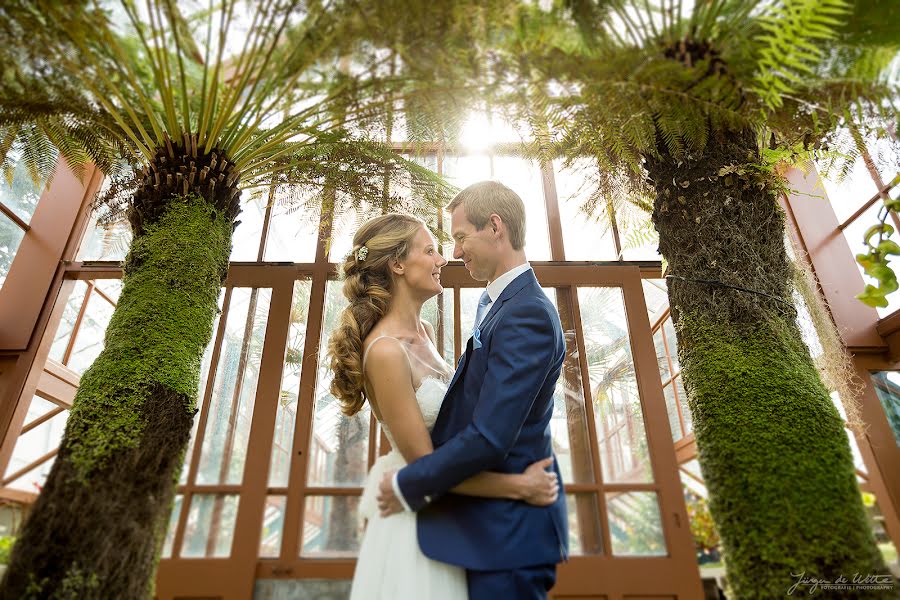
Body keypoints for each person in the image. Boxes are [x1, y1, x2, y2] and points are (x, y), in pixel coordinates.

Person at [327, 211, 560, 600]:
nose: (443, 260)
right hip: (413, 523)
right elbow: (424, 467)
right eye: (431, 250)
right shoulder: (386, 352)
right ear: (398, 264)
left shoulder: (427, 332)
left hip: (450, 516)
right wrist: (519, 487)